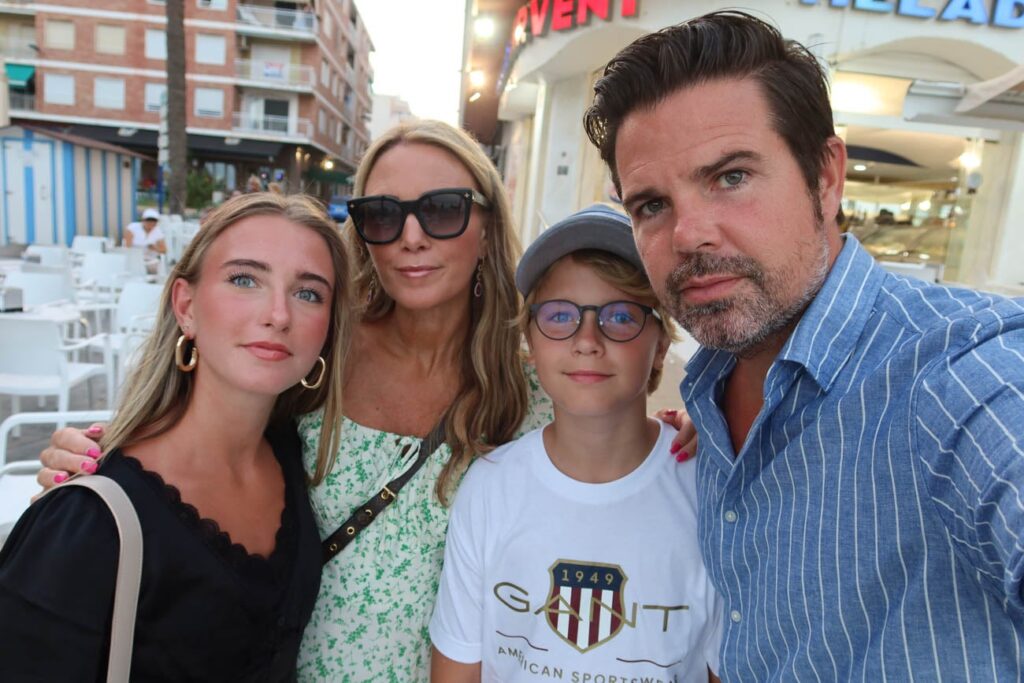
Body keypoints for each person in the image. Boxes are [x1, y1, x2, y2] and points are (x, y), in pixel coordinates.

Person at [36, 120, 693, 680]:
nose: (412, 237)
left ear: (487, 226)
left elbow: (621, 469)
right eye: (382, 214)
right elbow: (203, 442)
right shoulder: (315, 354)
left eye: (442, 209)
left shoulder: (538, 391)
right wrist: (104, 464)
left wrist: (692, 430)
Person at [583, 10, 1024, 680]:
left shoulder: (959, 374)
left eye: (731, 177)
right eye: (651, 205)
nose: (688, 234)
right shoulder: (715, 389)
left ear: (825, 177)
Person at [0, 193, 351, 679]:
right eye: (245, 279)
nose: (279, 314)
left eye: (308, 293)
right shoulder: (88, 519)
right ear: (186, 306)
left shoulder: (296, 451)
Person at [429, 205, 722, 682]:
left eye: (621, 316)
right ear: (531, 341)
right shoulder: (490, 488)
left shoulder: (709, 491)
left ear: (661, 348)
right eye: (560, 315)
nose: (587, 340)